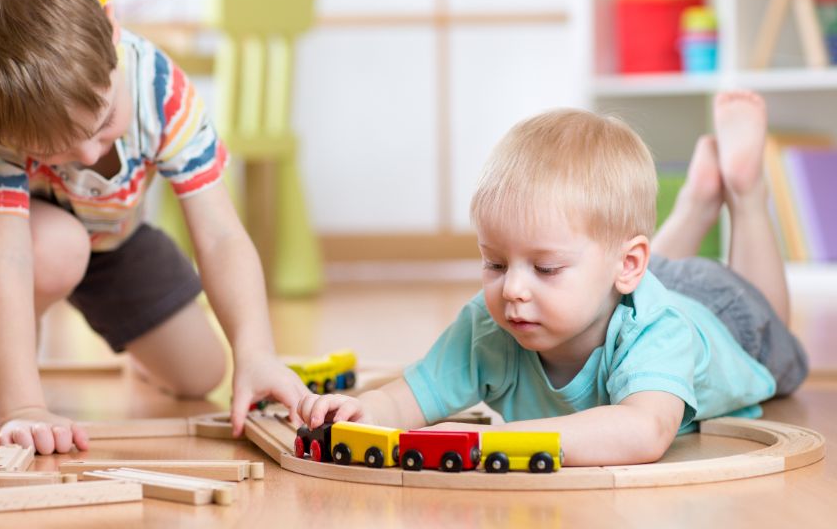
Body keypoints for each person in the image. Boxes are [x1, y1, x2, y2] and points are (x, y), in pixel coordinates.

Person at [0, 0, 306, 454]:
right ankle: (6, 351)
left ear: (112, 35)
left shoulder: (163, 92)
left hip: (106, 230)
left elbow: (221, 236)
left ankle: (99, 333)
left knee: (201, 372)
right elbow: (6, 255)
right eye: (57, 149)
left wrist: (257, 350)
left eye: (105, 124)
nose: (90, 155)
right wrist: (22, 408)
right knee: (56, 248)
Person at [295, 91, 808, 466]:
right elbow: (411, 396)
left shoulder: (658, 333)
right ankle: (696, 201)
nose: (512, 288)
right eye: (494, 263)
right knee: (634, 265)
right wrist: (363, 411)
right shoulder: (491, 324)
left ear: (627, 267)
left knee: (771, 322)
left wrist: (501, 441)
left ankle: (744, 191)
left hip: (725, 320)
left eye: (544, 269)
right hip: (639, 280)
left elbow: (644, 430)